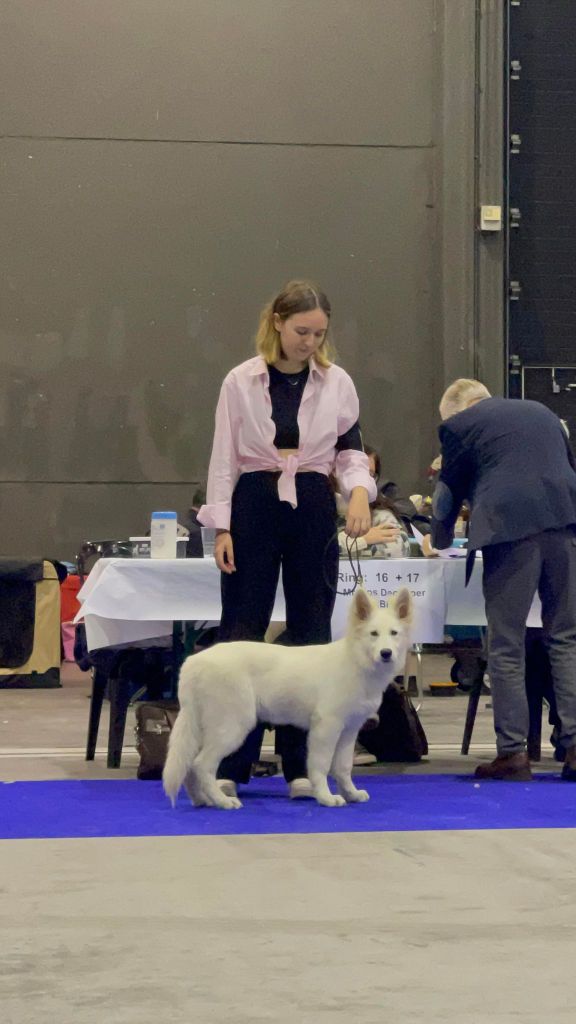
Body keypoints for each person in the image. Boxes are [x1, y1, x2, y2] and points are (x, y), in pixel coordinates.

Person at [198, 280, 376, 798]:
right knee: (243, 626)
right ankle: (231, 765)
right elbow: (223, 458)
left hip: (313, 501)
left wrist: (360, 492)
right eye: (302, 331)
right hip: (254, 498)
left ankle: (303, 767)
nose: (310, 343)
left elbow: (350, 450)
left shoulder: (338, 381)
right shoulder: (240, 380)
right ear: (277, 322)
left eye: (319, 334)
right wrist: (222, 527)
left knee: (313, 630)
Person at [423, 378, 576, 781]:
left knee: (506, 643)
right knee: (565, 636)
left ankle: (512, 753)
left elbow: (445, 497)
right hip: (564, 522)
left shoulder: (458, 426)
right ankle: (575, 746)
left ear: (458, 411)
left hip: (510, 529)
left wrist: (438, 541)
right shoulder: (543, 412)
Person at [336, 444, 406, 560]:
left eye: (370, 474)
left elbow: (398, 548)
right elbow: (314, 549)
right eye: (355, 472)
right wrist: (363, 540)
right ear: (335, 471)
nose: (363, 480)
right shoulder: (318, 507)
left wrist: (344, 543)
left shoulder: (380, 513)